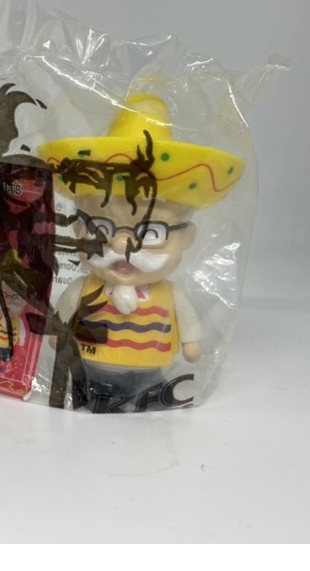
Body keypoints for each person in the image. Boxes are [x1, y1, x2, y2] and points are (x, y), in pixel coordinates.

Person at [39, 93, 244, 412]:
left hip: (150, 370)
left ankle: (145, 397)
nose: (122, 246)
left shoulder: (170, 294)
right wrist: (60, 334)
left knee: (149, 396)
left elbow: (187, 321)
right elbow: (65, 313)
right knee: (93, 396)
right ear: (79, 230)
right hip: (93, 366)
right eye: (101, 229)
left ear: (185, 238)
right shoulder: (84, 288)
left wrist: (191, 343)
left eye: (149, 233)